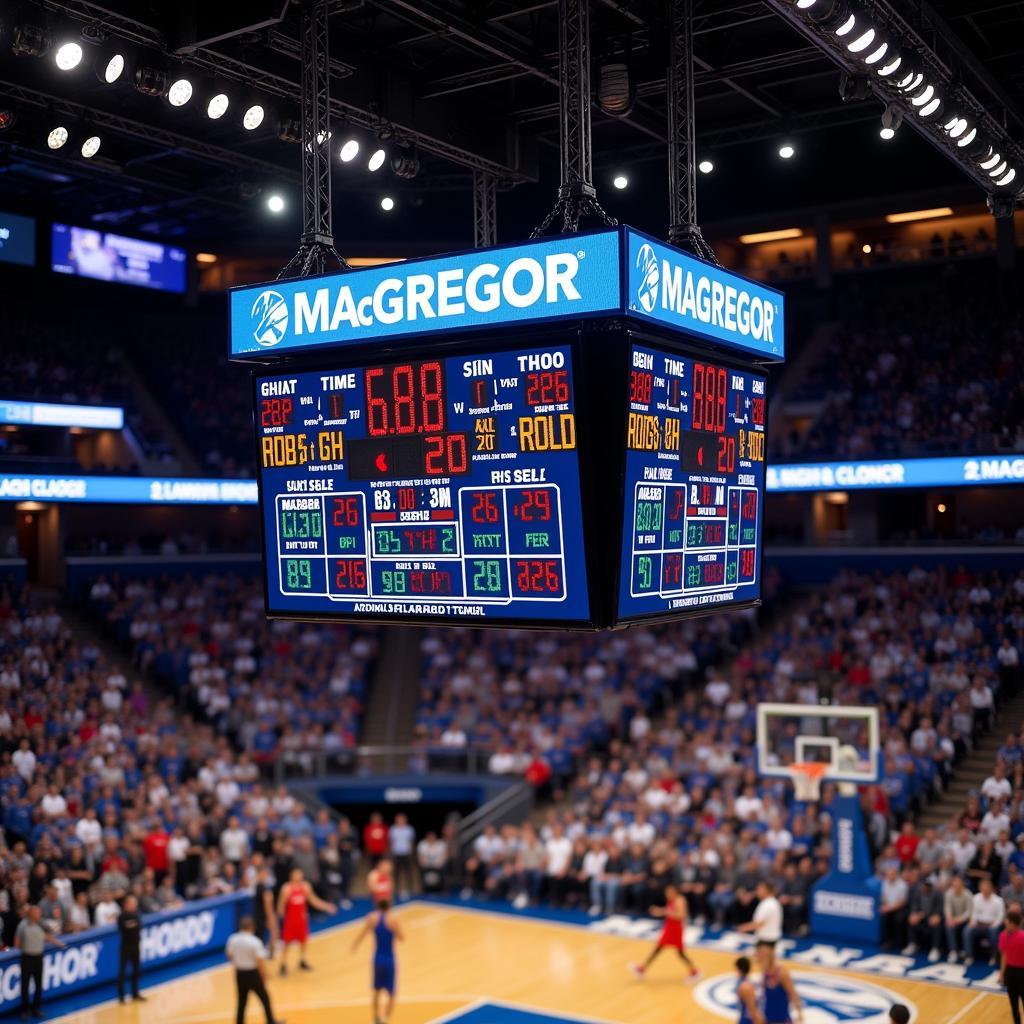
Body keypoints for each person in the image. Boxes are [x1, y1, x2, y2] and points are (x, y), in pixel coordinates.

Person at [629, 885, 700, 981]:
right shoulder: (672, 899)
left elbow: (682, 915)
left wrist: (667, 913)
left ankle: (694, 972)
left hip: (676, 929)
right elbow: (668, 911)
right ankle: (642, 969)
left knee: (677, 952)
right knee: (661, 948)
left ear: (674, 892)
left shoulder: (680, 900)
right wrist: (658, 911)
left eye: (668, 893)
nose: (666, 895)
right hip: (670, 927)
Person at [351, 900, 404, 1024]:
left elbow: (363, 933)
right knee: (391, 993)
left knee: (376, 990)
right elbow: (401, 937)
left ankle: (376, 1018)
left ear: (377, 906)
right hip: (389, 959)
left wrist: (355, 944)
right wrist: (396, 928)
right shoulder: (393, 920)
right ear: (389, 906)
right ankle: (385, 1019)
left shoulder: (372, 918)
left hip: (377, 958)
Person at [277, 867, 337, 975]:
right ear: (291, 876)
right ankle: (283, 964)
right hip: (290, 920)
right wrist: (280, 920)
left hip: (302, 920)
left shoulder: (305, 887)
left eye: (300, 874)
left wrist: (327, 906)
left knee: (304, 941)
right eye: (297, 874)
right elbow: (281, 906)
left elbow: (314, 900)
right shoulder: (286, 888)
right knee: (287, 943)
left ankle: (302, 960)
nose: (299, 876)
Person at [226, 916, 283, 1024]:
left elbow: (229, 955)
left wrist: (238, 962)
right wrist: (264, 977)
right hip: (253, 974)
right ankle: (270, 1021)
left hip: (239, 973)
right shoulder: (255, 941)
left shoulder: (232, 939)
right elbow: (260, 962)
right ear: (251, 927)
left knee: (242, 1001)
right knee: (264, 998)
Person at [15, 905, 65, 1020]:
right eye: (37, 913)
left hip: (38, 957)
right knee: (25, 985)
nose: (39, 915)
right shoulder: (22, 926)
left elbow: (47, 936)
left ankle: (36, 1008)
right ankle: (24, 1010)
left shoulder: (41, 924)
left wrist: (58, 943)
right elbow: (17, 943)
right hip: (27, 958)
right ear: (31, 913)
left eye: (39, 912)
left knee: (38, 984)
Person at [755, 940, 803, 1024]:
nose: (759, 955)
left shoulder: (782, 973)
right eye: (759, 952)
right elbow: (763, 996)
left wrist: (799, 1014)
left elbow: (793, 994)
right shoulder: (765, 971)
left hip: (781, 1020)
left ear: (770, 953)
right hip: (767, 1019)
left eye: (762, 953)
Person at [117, 894, 146, 1003]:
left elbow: (137, 927)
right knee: (122, 972)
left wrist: (131, 925)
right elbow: (124, 929)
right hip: (125, 947)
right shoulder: (122, 916)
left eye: (135, 903)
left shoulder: (136, 915)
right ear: (127, 904)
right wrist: (131, 926)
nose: (135, 905)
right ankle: (121, 997)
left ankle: (135, 993)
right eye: (133, 903)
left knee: (136, 971)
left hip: (136, 946)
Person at [1000, 908, 1024, 1024]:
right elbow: (1004, 956)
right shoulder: (1003, 935)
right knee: (1013, 1004)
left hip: (1022, 973)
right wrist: (1001, 974)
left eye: (1007, 921)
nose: (1005, 922)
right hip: (1010, 973)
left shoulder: (1023, 938)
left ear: (1013, 924)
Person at [389, 814, 416, 900]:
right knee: (396, 874)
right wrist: (390, 854)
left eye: (402, 819)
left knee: (408, 873)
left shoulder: (409, 829)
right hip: (396, 854)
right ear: (396, 820)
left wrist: (412, 854)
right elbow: (391, 842)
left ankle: (408, 891)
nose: (400, 821)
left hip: (406, 854)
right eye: (398, 819)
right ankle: (395, 891)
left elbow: (411, 842)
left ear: (405, 820)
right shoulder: (393, 829)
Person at [253, 864, 279, 954]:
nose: (266, 875)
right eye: (265, 873)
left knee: (261, 935)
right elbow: (267, 904)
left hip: (258, 915)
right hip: (262, 916)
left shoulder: (258, 886)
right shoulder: (263, 889)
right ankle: (269, 950)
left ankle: (265, 949)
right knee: (270, 932)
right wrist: (271, 917)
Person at [735, 955, 765, 1024]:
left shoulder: (743, 984)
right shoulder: (747, 984)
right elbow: (752, 1010)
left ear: (737, 968)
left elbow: (752, 1010)